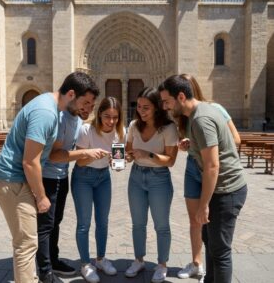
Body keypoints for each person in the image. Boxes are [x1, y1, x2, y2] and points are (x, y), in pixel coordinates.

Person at [0, 71, 101, 283]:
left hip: (16, 179)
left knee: (28, 242)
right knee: (27, 244)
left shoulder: (50, 108)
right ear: (71, 94)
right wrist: (42, 197)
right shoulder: (46, 113)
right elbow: (30, 161)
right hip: (12, 180)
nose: (86, 108)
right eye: (84, 102)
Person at [159, 75, 247, 283]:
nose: (165, 107)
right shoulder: (201, 113)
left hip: (227, 190)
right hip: (221, 189)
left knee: (220, 251)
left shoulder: (200, 119)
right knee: (210, 241)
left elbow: (212, 165)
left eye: (167, 101)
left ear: (181, 96)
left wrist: (204, 204)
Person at [36, 83, 100, 283]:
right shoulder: (60, 117)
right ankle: (45, 270)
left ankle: (53, 261)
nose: (89, 108)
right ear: (74, 97)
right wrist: (84, 153)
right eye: (86, 103)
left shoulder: (77, 120)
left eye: (92, 104)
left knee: (56, 222)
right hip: (47, 176)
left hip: (62, 177)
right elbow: (54, 155)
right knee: (45, 225)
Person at [125, 87, 178, 283]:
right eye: (138, 106)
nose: (141, 111)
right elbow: (127, 154)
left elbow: (170, 160)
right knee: (138, 224)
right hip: (136, 177)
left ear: (157, 107)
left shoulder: (169, 128)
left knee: (161, 225)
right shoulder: (133, 126)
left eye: (146, 107)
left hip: (159, 178)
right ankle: (139, 260)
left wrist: (147, 154)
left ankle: (162, 264)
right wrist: (119, 160)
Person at [71, 97, 125, 283]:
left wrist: (116, 162)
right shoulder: (87, 130)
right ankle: (85, 263)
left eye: (115, 117)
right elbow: (79, 160)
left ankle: (100, 259)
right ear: (99, 114)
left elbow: (118, 166)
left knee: (103, 222)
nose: (111, 121)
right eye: (107, 116)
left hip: (103, 178)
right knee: (84, 223)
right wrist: (91, 154)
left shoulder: (120, 133)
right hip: (83, 177)